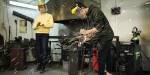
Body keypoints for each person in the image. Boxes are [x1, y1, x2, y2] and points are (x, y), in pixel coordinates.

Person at [71, 2, 114, 75]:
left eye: (79, 14)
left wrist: (86, 32)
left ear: (82, 9)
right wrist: (85, 36)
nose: (79, 16)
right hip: (101, 36)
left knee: (102, 58)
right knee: (107, 55)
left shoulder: (95, 10)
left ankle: (103, 73)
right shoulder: (89, 15)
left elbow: (98, 27)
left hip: (106, 36)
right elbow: (92, 29)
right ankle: (109, 72)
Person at [32, 0, 54, 73]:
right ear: (39, 9)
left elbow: (51, 25)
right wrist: (37, 25)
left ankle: (43, 67)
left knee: (44, 50)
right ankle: (40, 64)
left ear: (45, 8)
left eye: (42, 7)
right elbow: (33, 26)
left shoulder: (49, 16)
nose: (41, 9)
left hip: (45, 34)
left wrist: (44, 24)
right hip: (38, 34)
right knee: (38, 50)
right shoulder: (37, 17)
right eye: (40, 8)